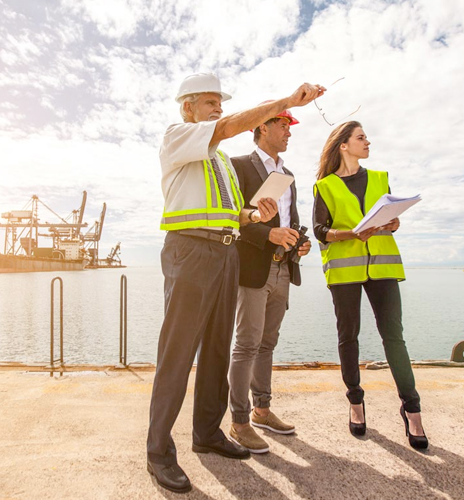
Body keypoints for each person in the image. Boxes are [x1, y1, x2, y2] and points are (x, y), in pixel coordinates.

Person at [147, 72, 325, 494]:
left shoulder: (222, 162)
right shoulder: (178, 136)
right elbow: (228, 129)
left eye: (220, 103)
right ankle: (158, 451)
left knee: (216, 350)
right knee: (177, 353)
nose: (219, 110)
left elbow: (234, 215)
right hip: (190, 252)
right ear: (187, 107)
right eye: (210, 102)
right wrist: (286, 100)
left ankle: (206, 434)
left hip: (226, 252)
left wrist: (254, 216)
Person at [312, 120, 428, 450]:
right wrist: (350, 234)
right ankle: (356, 403)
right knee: (348, 336)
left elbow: (392, 219)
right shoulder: (324, 186)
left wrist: (394, 222)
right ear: (343, 145)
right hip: (345, 270)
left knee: (394, 337)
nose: (368, 142)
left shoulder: (380, 178)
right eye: (361, 137)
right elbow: (320, 230)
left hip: (383, 266)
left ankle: (412, 409)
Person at [228, 106, 311, 454]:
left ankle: (262, 409)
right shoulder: (238, 166)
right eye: (283, 125)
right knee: (247, 344)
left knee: (267, 343)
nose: (289, 132)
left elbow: (290, 218)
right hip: (252, 269)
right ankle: (239, 421)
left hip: (282, 268)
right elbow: (232, 217)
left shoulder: (288, 173)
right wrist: (269, 235)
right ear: (262, 127)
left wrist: (298, 244)